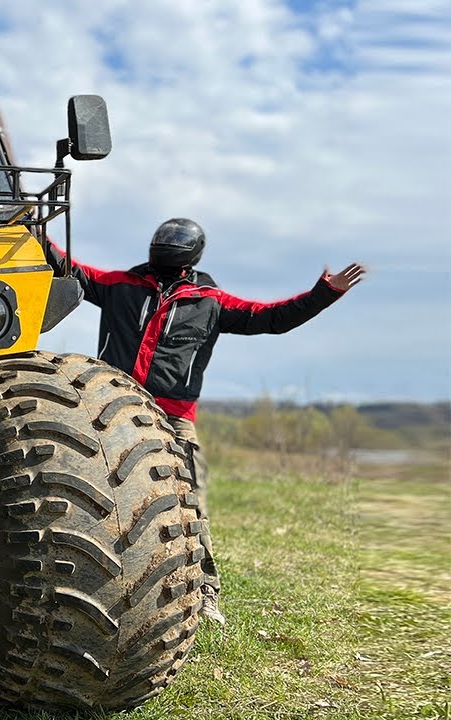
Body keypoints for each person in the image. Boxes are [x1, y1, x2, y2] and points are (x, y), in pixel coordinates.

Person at [45, 218, 366, 625]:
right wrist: (30, 224)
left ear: (192, 253)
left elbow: (274, 318)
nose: (166, 244)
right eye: (163, 238)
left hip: (173, 417)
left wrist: (325, 293)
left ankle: (205, 591)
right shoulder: (119, 285)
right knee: (85, 486)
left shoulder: (211, 302)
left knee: (190, 503)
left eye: (174, 241)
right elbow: (65, 265)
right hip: (110, 405)